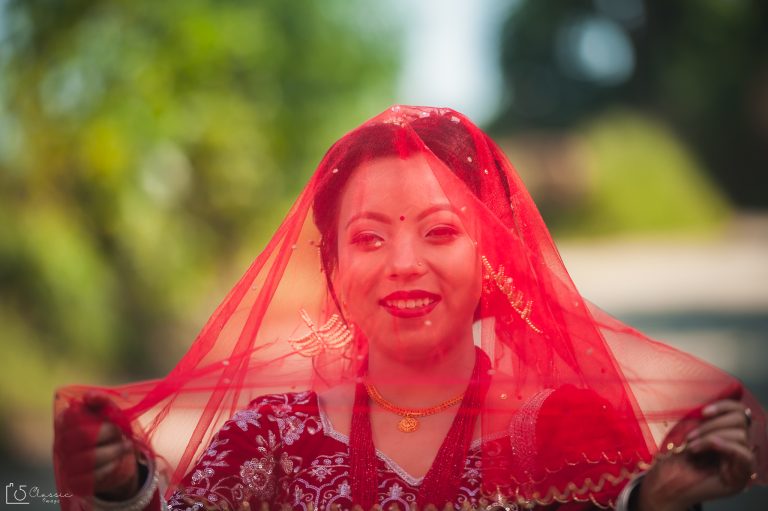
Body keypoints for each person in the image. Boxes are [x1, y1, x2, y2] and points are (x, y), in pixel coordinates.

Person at [53, 105, 766, 511]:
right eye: (368, 237)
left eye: (440, 231)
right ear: (333, 265)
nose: (403, 264)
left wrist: (657, 502)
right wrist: (125, 487)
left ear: (494, 256)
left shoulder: (566, 428)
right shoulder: (264, 440)